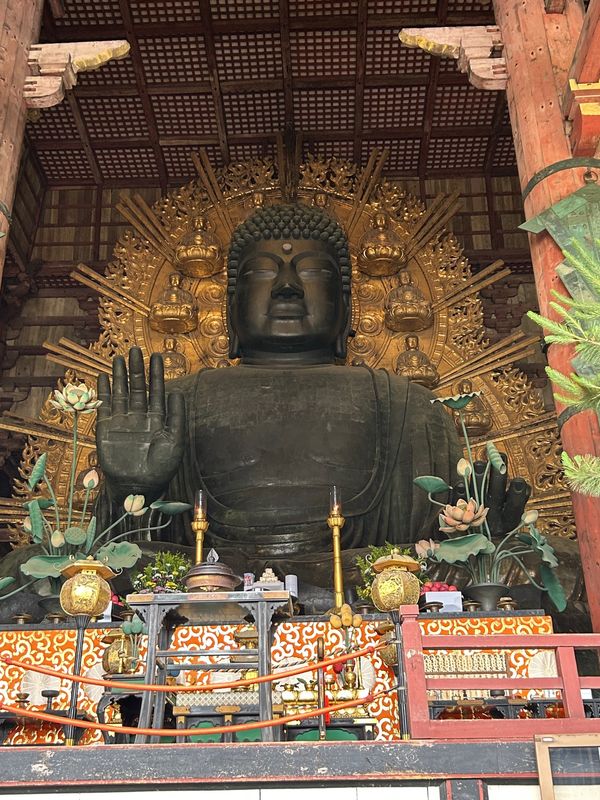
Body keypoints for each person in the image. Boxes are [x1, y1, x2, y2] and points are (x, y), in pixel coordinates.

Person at [96, 203, 460, 557]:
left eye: (313, 271)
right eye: (261, 273)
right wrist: (130, 488)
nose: (287, 286)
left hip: (369, 589)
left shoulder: (411, 408)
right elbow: (116, 560)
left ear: (346, 304)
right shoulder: (169, 408)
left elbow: (451, 547)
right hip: (209, 589)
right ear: (230, 306)